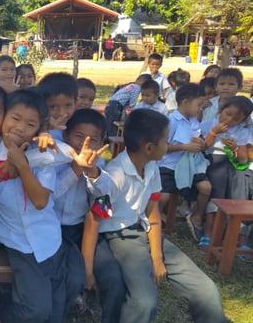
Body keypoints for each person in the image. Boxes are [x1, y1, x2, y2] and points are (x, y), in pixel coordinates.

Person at [86, 108, 227, 323]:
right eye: (166, 140)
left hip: (145, 230)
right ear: (150, 147)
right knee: (144, 302)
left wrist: (157, 256)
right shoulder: (115, 176)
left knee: (206, 289)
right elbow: (94, 220)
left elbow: (152, 214)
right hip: (119, 237)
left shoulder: (151, 167)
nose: (168, 144)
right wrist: (88, 268)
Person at [0, 89, 72, 323]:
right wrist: (19, 165)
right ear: (3, 117)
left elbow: (41, 199)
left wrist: (24, 163)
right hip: (19, 243)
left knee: (55, 308)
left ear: (39, 128)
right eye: (15, 118)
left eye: (30, 123)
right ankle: (0, 317)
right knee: (35, 310)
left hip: (49, 238)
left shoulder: (44, 154)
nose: (20, 127)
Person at [59, 109, 127, 323]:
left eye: (93, 140)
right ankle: (66, 308)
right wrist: (75, 169)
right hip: (52, 230)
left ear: (102, 144)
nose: (84, 144)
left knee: (113, 278)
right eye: (78, 136)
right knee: (71, 276)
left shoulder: (101, 168)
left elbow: (104, 202)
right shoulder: (53, 162)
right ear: (65, 136)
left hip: (84, 230)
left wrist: (91, 172)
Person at [158, 83, 211, 244]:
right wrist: (184, 147)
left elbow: (199, 138)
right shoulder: (170, 121)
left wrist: (200, 143)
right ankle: (153, 221)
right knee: (163, 196)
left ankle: (196, 216)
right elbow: (162, 147)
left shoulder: (194, 121)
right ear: (186, 102)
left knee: (206, 188)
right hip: (169, 166)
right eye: (199, 105)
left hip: (189, 166)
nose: (200, 109)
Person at [200, 96, 253, 247]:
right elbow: (203, 148)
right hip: (214, 161)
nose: (230, 120)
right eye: (228, 114)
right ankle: (208, 232)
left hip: (235, 166)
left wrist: (235, 148)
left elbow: (243, 160)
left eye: (236, 119)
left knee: (238, 193)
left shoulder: (243, 131)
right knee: (217, 193)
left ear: (243, 120)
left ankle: (235, 236)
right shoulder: (208, 124)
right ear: (221, 109)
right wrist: (213, 132)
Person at [37, 72, 79, 140]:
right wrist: (45, 130)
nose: (61, 113)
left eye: (68, 105)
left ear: (76, 103)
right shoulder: (35, 128)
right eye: (53, 107)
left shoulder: (80, 127)